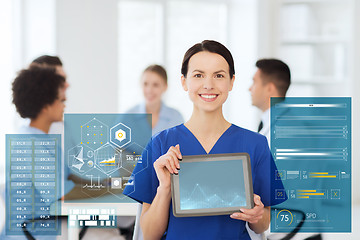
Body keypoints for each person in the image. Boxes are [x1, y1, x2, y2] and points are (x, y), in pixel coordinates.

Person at [124, 40, 285, 239]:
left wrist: (257, 215)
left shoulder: (256, 145)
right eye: (198, 75)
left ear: (231, 81)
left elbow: (262, 224)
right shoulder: (160, 145)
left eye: (219, 75)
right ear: (184, 81)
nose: (209, 85)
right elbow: (149, 234)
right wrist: (165, 187)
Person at [127, 64, 184, 135]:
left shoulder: (176, 118)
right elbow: (115, 145)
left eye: (155, 85)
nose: (149, 90)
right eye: (145, 84)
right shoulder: (128, 116)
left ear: (165, 87)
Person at [249, 59, 291, 142]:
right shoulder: (270, 122)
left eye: (254, 82)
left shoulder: (286, 129)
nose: (250, 89)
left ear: (269, 89)